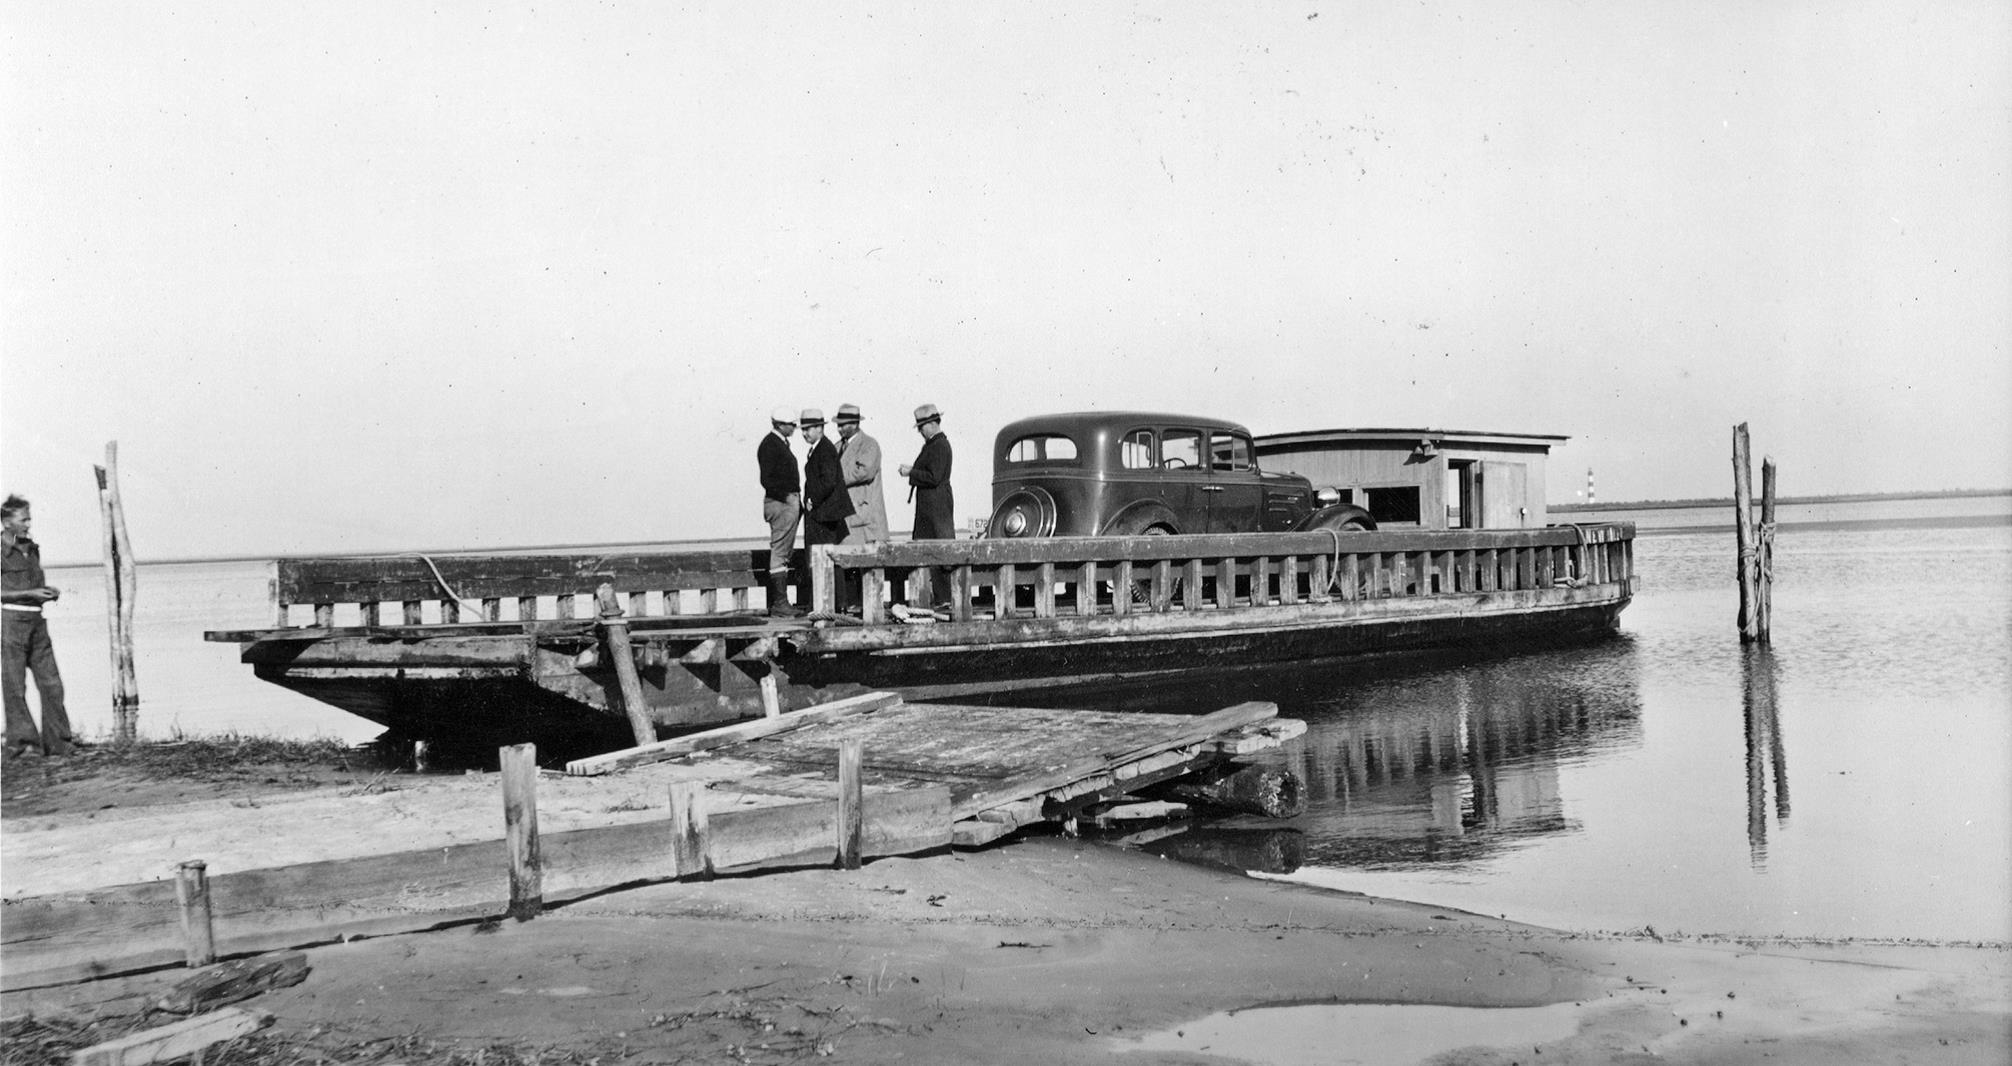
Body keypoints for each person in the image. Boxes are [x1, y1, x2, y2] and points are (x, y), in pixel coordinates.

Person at [4, 494, 75, 758]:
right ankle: (23, 747)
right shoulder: (1, 550)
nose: (28, 524)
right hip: (12, 623)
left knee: (52, 683)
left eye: (29, 518)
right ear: (6, 523)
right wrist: (30, 594)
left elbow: (33, 586)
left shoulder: (31, 548)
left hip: (37, 622)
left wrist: (47, 591)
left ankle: (60, 744)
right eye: (23, 519)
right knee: (14, 686)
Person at [898, 404, 955, 611]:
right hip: (932, 506)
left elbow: (934, 477)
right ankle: (939, 598)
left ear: (931, 424)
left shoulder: (939, 446)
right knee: (928, 548)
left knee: (938, 549)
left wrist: (911, 472)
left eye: (921, 427)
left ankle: (944, 598)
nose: (920, 432)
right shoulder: (935, 444)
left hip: (936, 506)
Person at [799, 409, 856, 609]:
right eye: (803, 429)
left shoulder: (824, 449)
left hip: (824, 515)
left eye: (808, 429)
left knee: (825, 557)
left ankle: (834, 604)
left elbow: (829, 481)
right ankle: (833, 603)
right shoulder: (820, 448)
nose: (805, 433)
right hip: (822, 514)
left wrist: (812, 499)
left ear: (820, 428)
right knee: (826, 557)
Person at [835, 404, 887, 615]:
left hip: (865, 517)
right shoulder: (837, 445)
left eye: (843, 425)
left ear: (855, 424)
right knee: (848, 562)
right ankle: (850, 607)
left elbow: (863, 471)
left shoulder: (869, 445)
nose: (839, 429)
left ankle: (862, 608)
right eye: (838, 425)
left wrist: (833, 478)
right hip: (847, 517)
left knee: (864, 565)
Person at [756, 407, 803, 617]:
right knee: (780, 552)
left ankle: (781, 603)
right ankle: (780, 604)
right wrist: (786, 498)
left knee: (782, 551)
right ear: (781, 424)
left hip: (785, 502)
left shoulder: (777, 443)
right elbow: (767, 479)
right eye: (792, 424)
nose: (794, 428)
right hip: (781, 503)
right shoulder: (771, 445)